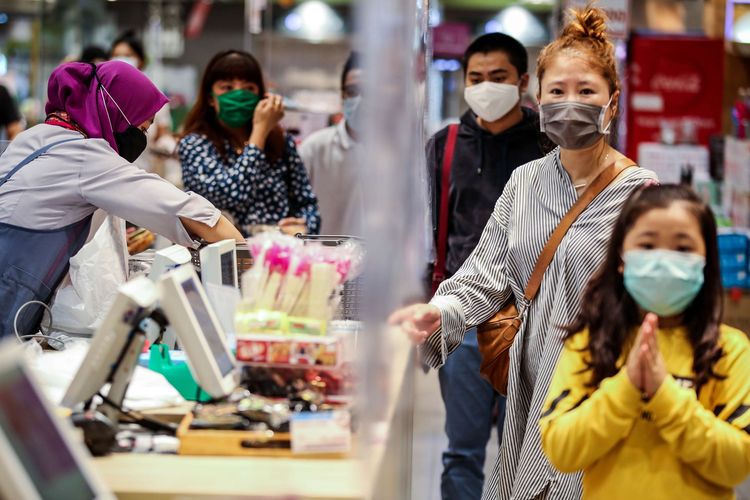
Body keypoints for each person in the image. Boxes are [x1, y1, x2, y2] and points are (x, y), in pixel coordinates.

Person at [389, 7, 659, 499]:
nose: (570, 103)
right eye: (557, 91)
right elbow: (484, 274)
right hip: (530, 390)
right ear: (539, 97)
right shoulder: (526, 181)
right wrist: (438, 311)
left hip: (602, 390)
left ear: (612, 103)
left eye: (586, 91)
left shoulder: (642, 195)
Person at [0, 60, 242, 339]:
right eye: (142, 127)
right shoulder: (86, 157)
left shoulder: (36, 137)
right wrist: (248, 261)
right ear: (114, 112)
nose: (142, 138)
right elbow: (190, 212)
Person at [540, 184, 750, 499]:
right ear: (621, 257)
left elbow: (738, 463)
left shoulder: (729, 351)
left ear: (706, 260)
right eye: (648, 245)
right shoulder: (593, 343)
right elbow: (560, 448)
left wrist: (665, 395)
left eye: (682, 249)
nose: (664, 260)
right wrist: (626, 386)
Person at [425, 33, 547, 500]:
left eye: (498, 77)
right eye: (476, 78)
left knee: (528, 454)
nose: (486, 86)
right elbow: (429, 235)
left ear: (523, 81)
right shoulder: (446, 145)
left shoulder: (549, 146)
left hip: (533, 316)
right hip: (464, 321)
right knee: (462, 449)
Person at [178, 50, 320, 237]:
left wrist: (304, 227)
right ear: (210, 98)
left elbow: (307, 204)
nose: (239, 94)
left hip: (277, 256)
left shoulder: (281, 143)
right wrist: (260, 131)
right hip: (221, 258)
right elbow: (232, 194)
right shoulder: (195, 145)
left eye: (249, 88)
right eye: (227, 87)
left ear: (261, 96)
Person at [298, 52, 363, 236]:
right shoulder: (314, 148)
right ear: (342, 96)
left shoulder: (394, 154)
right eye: (352, 92)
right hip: (323, 261)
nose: (360, 100)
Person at [111, 30, 175, 176]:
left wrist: (167, 145)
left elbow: (163, 134)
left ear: (141, 60)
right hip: (109, 176)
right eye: (116, 55)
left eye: (128, 55)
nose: (121, 59)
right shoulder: (103, 96)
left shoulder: (154, 98)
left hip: (142, 175)